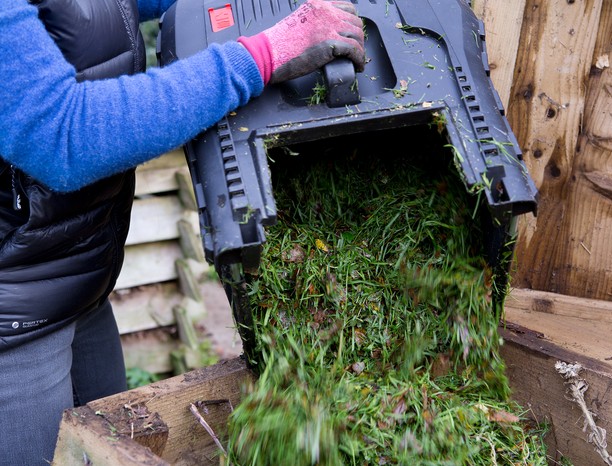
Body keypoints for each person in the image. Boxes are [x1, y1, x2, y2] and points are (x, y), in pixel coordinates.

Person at [0, 0, 365, 464]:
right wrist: (259, 57)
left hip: (76, 278)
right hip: (12, 320)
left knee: (114, 446)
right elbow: (63, 137)